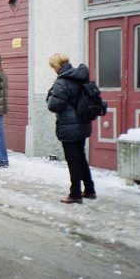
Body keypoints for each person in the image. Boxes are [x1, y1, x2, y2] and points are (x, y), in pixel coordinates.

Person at [46, 53, 96, 204]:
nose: (53, 70)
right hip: (83, 124)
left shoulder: (62, 82)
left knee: (73, 160)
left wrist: (50, 94)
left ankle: (75, 194)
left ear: (57, 66)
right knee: (80, 157)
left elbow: (53, 105)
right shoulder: (79, 76)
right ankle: (89, 189)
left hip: (69, 126)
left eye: (53, 67)